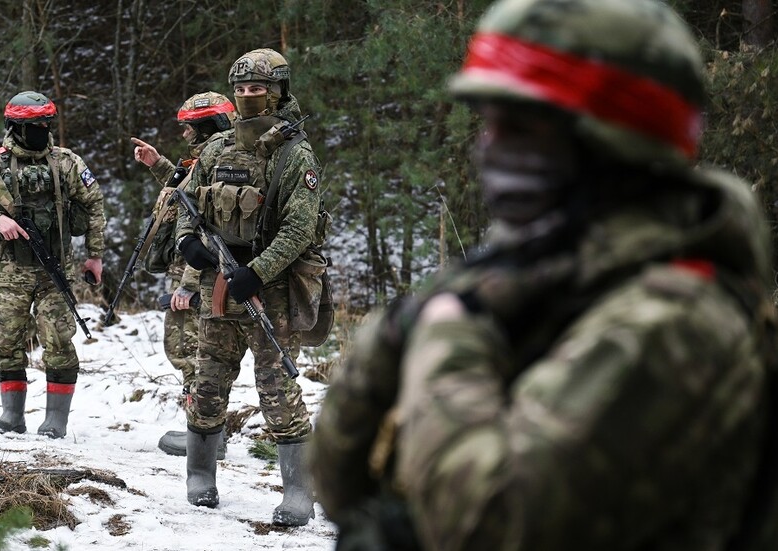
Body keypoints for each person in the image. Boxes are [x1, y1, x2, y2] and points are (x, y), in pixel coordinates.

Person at [309, 0, 778, 549]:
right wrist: (390, 342)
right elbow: (340, 489)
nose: (489, 148)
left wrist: (446, 337)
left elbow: (495, 527)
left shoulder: (674, 321)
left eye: (520, 128)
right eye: (489, 124)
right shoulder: (534, 276)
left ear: (610, 144)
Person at [175, 48, 327, 527]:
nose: (246, 98)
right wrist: (186, 242)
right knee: (207, 382)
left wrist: (257, 271)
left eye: (257, 90)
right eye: (239, 90)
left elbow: (299, 229)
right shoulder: (217, 149)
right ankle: (200, 476)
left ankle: (299, 493)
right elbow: (187, 197)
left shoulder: (294, 153)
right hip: (218, 283)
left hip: (272, 291)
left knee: (278, 390)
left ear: (277, 92)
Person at [0, 90, 105, 439]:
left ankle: (55, 421)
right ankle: (12, 417)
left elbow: (94, 206)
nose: (41, 128)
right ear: (15, 126)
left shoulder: (66, 163)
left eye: (45, 122)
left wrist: (95, 254)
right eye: (33, 124)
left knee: (58, 340)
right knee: (8, 342)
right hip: (10, 274)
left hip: (55, 270)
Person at [130, 91, 236, 458]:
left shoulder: (220, 159)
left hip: (199, 275)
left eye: (190, 127)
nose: (185, 134)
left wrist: (188, 284)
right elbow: (184, 191)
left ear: (209, 125)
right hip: (191, 272)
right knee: (191, 351)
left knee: (191, 351)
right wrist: (157, 163)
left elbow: (207, 228)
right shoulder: (211, 158)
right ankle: (205, 430)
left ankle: (207, 435)